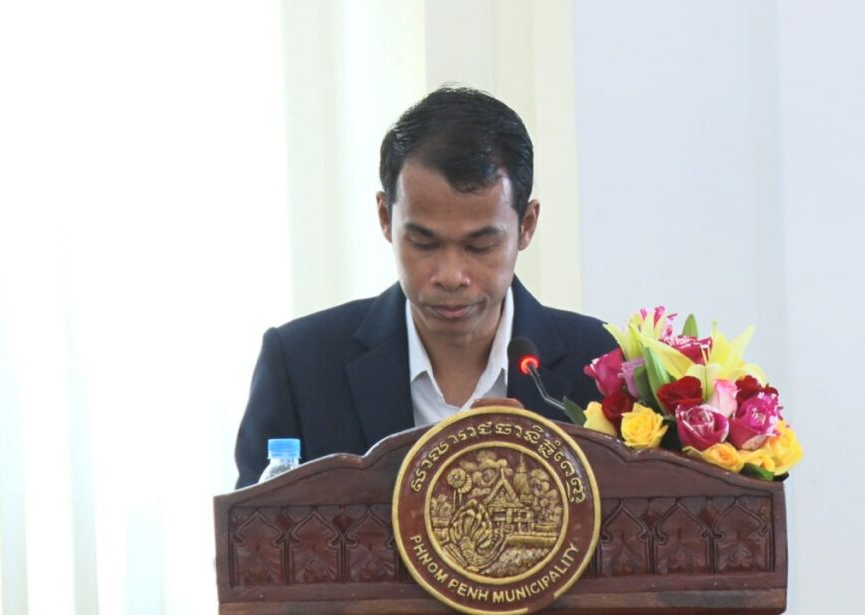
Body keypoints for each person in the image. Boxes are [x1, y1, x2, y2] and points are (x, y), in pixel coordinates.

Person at [234, 86, 617, 488]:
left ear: (527, 225)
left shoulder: (599, 366)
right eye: (423, 243)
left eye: (480, 245)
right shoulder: (300, 367)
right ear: (385, 218)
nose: (450, 276)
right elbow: (253, 527)